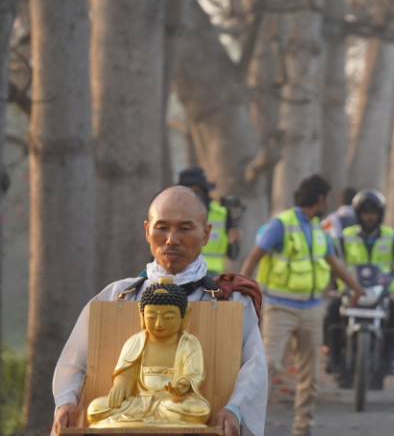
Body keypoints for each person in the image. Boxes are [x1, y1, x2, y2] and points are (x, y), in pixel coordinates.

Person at [52, 186, 267, 436]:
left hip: (183, 411)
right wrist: (66, 401)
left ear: (206, 234)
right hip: (133, 412)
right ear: (147, 231)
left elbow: (254, 367)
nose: (171, 239)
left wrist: (235, 409)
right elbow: (73, 361)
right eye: (162, 227)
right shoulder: (116, 296)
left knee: (195, 410)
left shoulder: (231, 300)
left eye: (185, 229)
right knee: (100, 409)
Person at [239, 174, 365, 436]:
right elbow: (254, 257)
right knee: (268, 364)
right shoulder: (280, 225)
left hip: (312, 308)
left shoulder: (319, 230)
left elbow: (335, 265)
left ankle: (303, 427)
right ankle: (241, 420)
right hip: (280, 307)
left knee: (310, 373)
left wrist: (356, 289)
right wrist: (242, 291)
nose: (326, 204)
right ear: (319, 199)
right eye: (325, 199)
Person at [86, 279, 210, 426]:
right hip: (138, 401)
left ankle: (137, 421)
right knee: (95, 408)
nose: (159, 324)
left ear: (185, 315)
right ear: (142, 314)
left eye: (168, 317)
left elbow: (193, 375)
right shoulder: (136, 341)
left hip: (172, 401)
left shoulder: (188, 342)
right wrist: (121, 386)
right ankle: (147, 420)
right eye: (151, 317)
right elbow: (126, 373)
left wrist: (183, 384)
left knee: (198, 410)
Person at [323, 189, 394, 381]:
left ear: (380, 214)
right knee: (332, 310)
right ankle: (334, 358)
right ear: (357, 214)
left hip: (381, 293)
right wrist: (334, 288)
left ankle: (388, 359)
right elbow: (332, 262)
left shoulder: (390, 236)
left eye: (373, 213)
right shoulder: (345, 236)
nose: (369, 217)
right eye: (365, 213)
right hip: (350, 291)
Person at [178, 166, 243, 274]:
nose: (195, 196)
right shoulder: (174, 213)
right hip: (181, 273)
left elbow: (233, 254)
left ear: (205, 190)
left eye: (198, 191)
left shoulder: (221, 213)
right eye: (189, 191)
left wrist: (233, 241)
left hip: (212, 276)